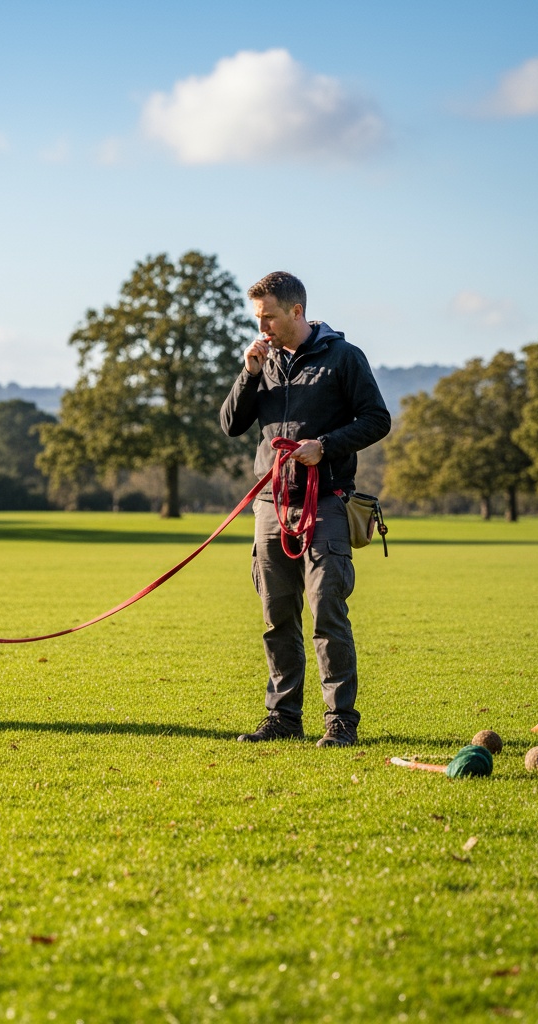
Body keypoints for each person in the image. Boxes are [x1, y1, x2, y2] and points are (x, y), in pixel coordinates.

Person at [219, 271, 390, 748]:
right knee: (277, 616)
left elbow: (378, 419)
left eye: (268, 316)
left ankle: (340, 722)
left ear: (296, 311)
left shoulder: (343, 357)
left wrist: (326, 445)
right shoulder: (263, 361)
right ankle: (283, 718)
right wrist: (249, 373)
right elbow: (232, 424)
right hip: (271, 505)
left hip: (328, 502)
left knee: (327, 613)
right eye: (257, 318)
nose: (262, 326)